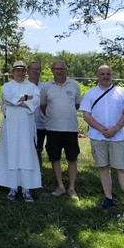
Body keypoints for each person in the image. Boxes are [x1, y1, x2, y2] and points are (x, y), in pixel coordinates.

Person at [80, 65, 124, 219]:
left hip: (117, 137)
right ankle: (108, 198)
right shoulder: (90, 94)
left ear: (112, 76)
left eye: (108, 74)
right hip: (98, 137)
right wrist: (101, 129)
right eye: (102, 74)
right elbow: (86, 115)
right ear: (97, 76)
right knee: (103, 167)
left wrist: (115, 128)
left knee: (122, 169)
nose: (105, 76)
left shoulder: (122, 92)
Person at [0, 60, 42, 202]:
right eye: (17, 71)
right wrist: (26, 98)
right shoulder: (7, 86)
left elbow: (37, 100)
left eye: (22, 71)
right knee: (11, 154)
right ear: (13, 72)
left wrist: (18, 101)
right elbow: (8, 98)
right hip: (10, 126)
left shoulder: (32, 86)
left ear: (25, 72)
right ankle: (13, 187)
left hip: (26, 127)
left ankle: (26, 188)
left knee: (26, 154)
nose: (20, 73)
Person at [40, 59, 82, 199]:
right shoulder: (46, 87)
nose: (59, 71)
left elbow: (76, 105)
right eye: (56, 68)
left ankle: (71, 188)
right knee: (55, 158)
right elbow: (43, 106)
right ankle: (60, 186)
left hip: (70, 128)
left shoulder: (74, 85)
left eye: (62, 68)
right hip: (52, 128)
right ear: (52, 70)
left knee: (72, 158)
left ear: (66, 70)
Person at [27, 61, 47, 168]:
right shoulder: (22, 86)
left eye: (37, 69)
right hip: (25, 124)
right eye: (33, 69)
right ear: (28, 71)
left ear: (40, 71)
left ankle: (38, 173)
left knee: (38, 150)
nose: (35, 71)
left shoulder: (45, 87)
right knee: (25, 150)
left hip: (40, 124)